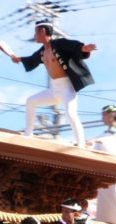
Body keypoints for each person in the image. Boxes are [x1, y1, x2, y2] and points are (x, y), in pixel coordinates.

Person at [9, 19, 96, 147]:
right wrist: (18, 59)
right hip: (54, 90)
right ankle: (28, 134)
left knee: (71, 113)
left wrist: (85, 48)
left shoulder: (59, 44)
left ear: (42, 31)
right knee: (30, 101)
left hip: (67, 89)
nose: (34, 35)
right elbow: (32, 59)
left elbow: (74, 46)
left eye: (36, 32)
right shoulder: (42, 51)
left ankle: (81, 144)